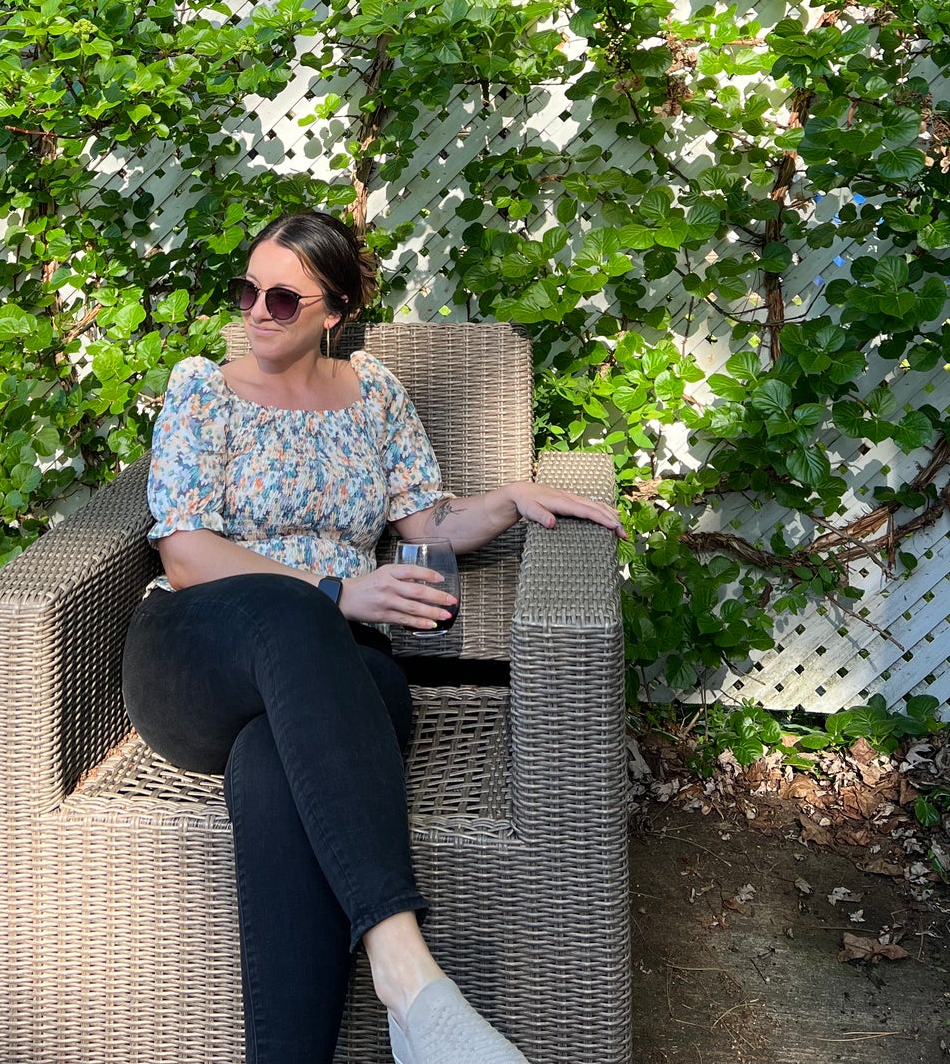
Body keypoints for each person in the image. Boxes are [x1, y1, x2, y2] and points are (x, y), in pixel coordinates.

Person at [120, 208, 626, 1064]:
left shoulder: (375, 393)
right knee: (292, 611)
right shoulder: (201, 389)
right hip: (195, 651)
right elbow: (187, 546)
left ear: (336, 309)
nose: (255, 310)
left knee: (274, 768)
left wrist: (509, 497)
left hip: (339, 679)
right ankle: (408, 976)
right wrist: (335, 589)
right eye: (247, 289)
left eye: (283, 298)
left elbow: (425, 518)